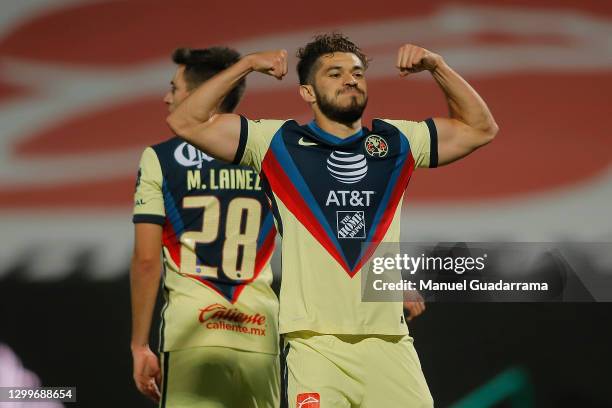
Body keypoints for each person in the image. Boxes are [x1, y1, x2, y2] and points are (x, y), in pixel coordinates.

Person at [167, 33, 498, 407]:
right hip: (315, 347)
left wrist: (437, 66)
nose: (350, 79)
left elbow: (481, 128)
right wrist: (246, 65)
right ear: (307, 92)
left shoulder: (397, 142)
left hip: (389, 343)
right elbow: (186, 121)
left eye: (357, 72)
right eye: (335, 73)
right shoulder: (275, 142)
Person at [130, 47, 279, 408]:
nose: (167, 97)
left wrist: (139, 345)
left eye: (175, 88)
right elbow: (329, 222)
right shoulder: (271, 154)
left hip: (191, 332)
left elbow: (147, 261)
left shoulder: (160, 158)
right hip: (260, 334)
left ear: (199, 95)